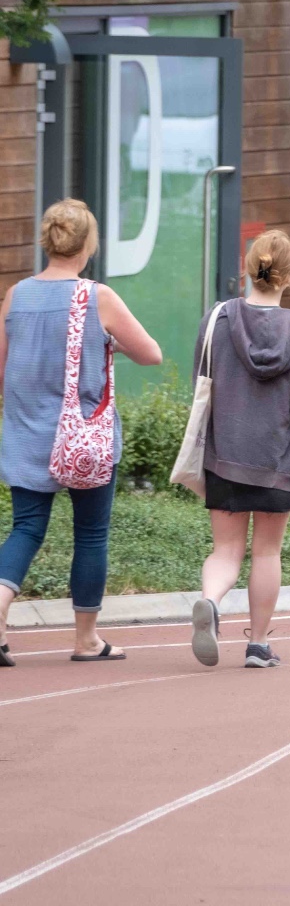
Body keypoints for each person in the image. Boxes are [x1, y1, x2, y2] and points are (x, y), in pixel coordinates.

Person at [0, 199, 162, 664]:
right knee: (91, 534)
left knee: (26, 528)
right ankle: (86, 640)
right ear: (88, 243)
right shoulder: (97, 297)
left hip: (27, 434)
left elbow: (3, 370)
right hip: (84, 441)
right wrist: (106, 342)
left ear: (47, 241)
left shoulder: (16, 295)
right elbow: (150, 353)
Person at [188, 230, 290, 670]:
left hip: (224, 455)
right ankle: (259, 645)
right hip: (278, 462)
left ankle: (209, 601)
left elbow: (200, 388)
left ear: (249, 268)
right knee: (267, 552)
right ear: (289, 278)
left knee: (225, 551)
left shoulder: (217, 319)